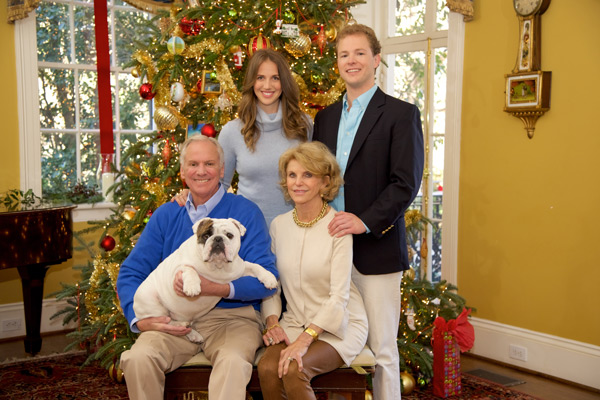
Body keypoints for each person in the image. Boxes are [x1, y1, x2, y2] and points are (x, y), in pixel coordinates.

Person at [116, 134, 278, 400]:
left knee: (233, 363)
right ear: (182, 171)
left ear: (222, 169)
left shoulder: (245, 212)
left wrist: (217, 288)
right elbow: (132, 271)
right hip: (175, 319)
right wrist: (139, 317)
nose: (201, 171)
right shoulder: (166, 215)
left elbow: (265, 277)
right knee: (138, 358)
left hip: (233, 319)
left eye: (209, 164)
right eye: (193, 164)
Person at [312, 24, 425, 400]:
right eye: (344, 54)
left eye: (360, 53)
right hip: (329, 250)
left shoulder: (400, 114)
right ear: (337, 63)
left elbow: (405, 183)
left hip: (376, 251)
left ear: (376, 60)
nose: (351, 61)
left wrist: (364, 221)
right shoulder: (325, 118)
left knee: (382, 350)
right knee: (334, 340)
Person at [257, 142, 368, 399]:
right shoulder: (279, 226)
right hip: (295, 321)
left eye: (308, 175)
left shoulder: (338, 226)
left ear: (325, 182)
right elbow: (272, 284)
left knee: (296, 368)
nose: (298, 182)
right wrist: (272, 321)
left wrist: (304, 340)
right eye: (292, 175)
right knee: (267, 367)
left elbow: (339, 297)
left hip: (340, 325)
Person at [174, 48, 313, 226]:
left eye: (275, 78)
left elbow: (316, 180)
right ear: (251, 82)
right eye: (260, 77)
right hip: (248, 232)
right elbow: (218, 185)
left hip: (296, 230)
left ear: (284, 82)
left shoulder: (304, 126)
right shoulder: (232, 132)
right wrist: (191, 196)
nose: (267, 85)